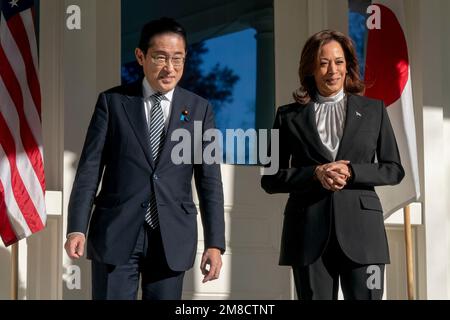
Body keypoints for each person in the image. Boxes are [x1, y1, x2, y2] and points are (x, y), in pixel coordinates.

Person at [64, 17, 225, 300]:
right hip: (115, 231)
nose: (170, 68)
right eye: (160, 58)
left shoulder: (200, 110)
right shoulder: (112, 103)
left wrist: (215, 243)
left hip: (171, 237)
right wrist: (77, 227)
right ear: (141, 56)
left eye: (178, 59)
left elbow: (209, 179)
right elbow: (89, 169)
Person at [261, 30, 404, 300]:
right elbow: (270, 177)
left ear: (348, 66)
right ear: (310, 68)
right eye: (323, 62)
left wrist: (352, 172)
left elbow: (393, 168)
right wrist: (314, 174)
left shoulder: (375, 110)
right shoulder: (286, 116)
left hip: (365, 237)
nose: (332, 70)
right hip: (307, 236)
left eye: (339, 62)